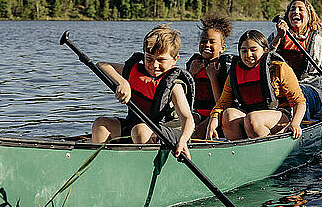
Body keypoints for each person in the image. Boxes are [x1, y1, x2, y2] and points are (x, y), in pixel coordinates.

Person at [91, 24, 195, 159]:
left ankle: (142, 169)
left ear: (175, 59)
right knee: (101, 124)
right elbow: (102, 65)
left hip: (170, 133)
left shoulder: (175, 86)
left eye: (161, 60)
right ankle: (101, 167)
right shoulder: (136, 72)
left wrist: (182, 141)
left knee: (140, 131)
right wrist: (123, 82)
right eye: (149, 58)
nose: (154, 65)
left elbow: (188, 119)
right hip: (136, 128)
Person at [208, 30, 306, 141]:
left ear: (265, 50)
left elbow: (299, 102)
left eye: (253, 50)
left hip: (279, 116)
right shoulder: (235, 73)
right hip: (250, 117)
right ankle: (238, 150)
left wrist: (295, 124)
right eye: (243, 51)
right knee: (228, 115)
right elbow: (223, 103)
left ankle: (268, 148)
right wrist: (213, 121)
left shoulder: (279, 68)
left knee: (253, 119)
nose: (248, 55)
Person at [269, 0, 322, 121]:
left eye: (301, 9)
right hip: (279, 89)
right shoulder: (276, 37)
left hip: (309, 90)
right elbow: (263, 62)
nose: (296, 12)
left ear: (309, 16)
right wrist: (278, 38)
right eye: (292, 9)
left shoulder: (320, 43)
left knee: (298, 92)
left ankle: (297, 127)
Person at [186, 14, 234, 140]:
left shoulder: (224, 66)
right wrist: (191, 73)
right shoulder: (194, 63)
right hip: (198, 112)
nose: (206, 45)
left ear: (222, 48)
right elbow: (182, 95)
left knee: (196, 134)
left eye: (212, 42)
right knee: (184, 127)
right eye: (203, 41)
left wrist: (213, 77)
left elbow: (222, 102)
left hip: (218, 114)